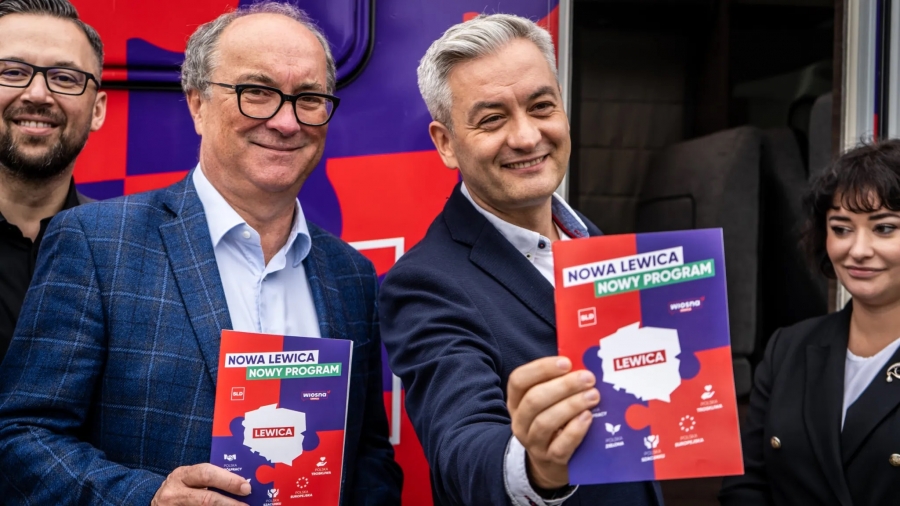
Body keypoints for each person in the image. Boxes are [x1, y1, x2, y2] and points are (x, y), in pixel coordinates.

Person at [0, 3, 402, 505]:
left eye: (309, 98)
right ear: (197, 104)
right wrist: (148, 498)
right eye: (256, 92)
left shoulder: (351, 274)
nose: (286, 121)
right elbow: (22, 436)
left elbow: (367, 455)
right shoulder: (95, 241)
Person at [379, 14, 663, 506]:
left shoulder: (595, 241)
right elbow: (462, 446)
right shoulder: (423, 283)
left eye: (541, 106)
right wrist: (538, 466)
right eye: (492, 119)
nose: (528, 137)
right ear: (446, 143)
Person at [719, 139, 900, 505]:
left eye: (884, 228)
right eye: (841, 228)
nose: (858, 250)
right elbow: (745, 485)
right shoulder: (787, 349)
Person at [0, 0, 105, 363]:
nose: (38, 95)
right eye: (13, 72)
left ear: (97, 110)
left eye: (64, 78)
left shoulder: (131, 254)